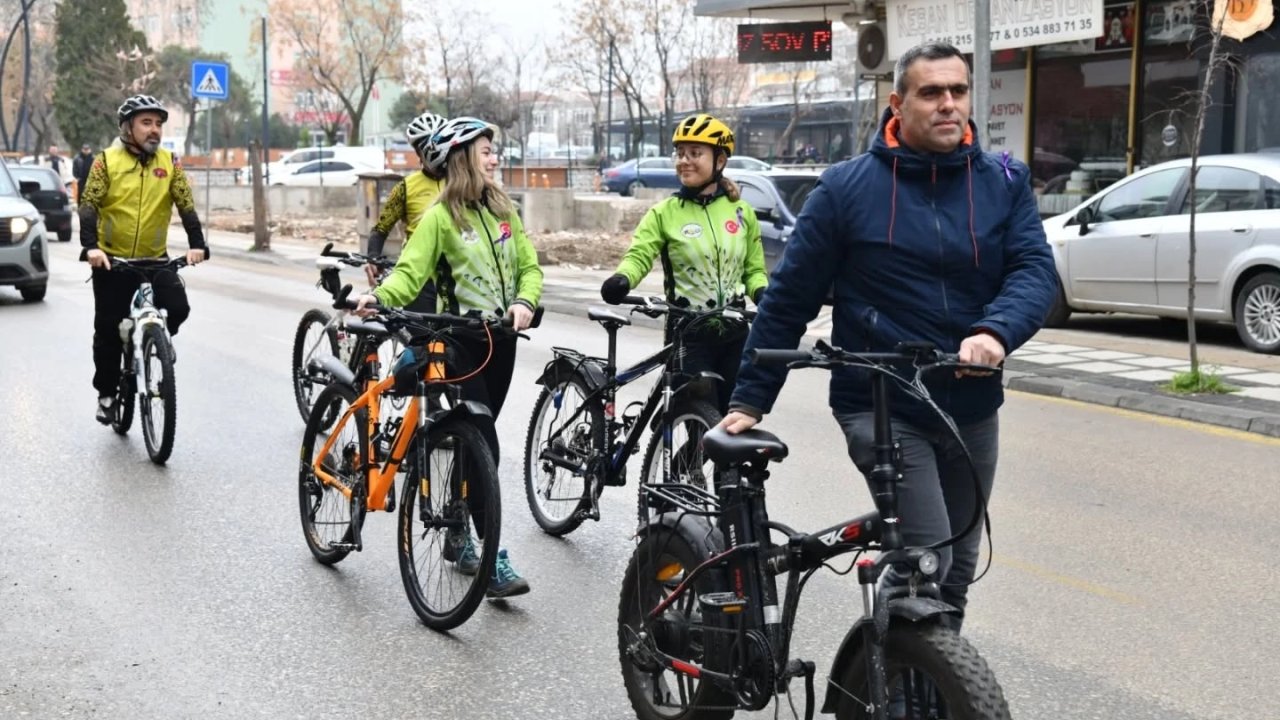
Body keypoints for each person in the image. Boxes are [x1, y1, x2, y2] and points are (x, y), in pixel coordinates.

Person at [721, 43, 1057, 630]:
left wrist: (996, 331)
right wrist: (752, 394)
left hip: (973, 406)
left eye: (958, 91)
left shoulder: (1003, 180)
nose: (949, 105)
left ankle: (939, 687)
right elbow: (791, 295)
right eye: (932, 93)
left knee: (958, 568)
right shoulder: (847, 189)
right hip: (882, 404)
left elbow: (1034, 270)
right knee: (929, 558)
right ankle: (891, 690)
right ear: (898, 104)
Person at [353, 116, 542, 599]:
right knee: (484, 443)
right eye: (485, 151)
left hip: (502, 342)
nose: (494, 158)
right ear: (462, 158)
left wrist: (524, 300)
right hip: (459, 342)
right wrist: (381, 297)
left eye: (493, 151)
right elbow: (411, 272)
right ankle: (492, 559)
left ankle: (458, 534)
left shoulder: (504, 210)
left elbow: (529, 266)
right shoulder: (440, 216)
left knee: (470, 443)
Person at [599, 113, 768, 413]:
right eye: (680, 153)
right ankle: (678, 460)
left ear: (719, 161)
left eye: (695, 153)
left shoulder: (741, 212)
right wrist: (623, 279)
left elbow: (753, 271)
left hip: (735, 333)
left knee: (734, 421)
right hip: (688, 332)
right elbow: (639, 256)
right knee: (691, 418)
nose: (684, 161)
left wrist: (764, 294)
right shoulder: (664, 213)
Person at [79, 94, 209, 424]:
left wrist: (198, 244)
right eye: (146, 123)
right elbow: (89, 205)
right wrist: (91, 248)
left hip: (154, 259)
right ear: (128, 128)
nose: (154, 130)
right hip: (113, 260)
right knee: (108, 329)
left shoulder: (170, 161)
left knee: (178, 308)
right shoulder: (105, 161)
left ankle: (159, 344)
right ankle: (107, 394)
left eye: (158, 124)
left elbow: (186, 205)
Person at [363, 111, 448, 312]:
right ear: (418, 152)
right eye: (425, 147)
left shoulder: (461, 182)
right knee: (423, 337)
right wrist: (373, 258)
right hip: (420, 272)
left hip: (456, 270)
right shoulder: (406, 187)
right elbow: (381, 229)